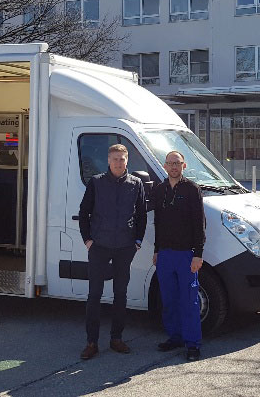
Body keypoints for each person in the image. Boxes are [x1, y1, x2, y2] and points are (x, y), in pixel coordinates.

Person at [78, 143, 147, 360]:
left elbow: (142, 215)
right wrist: (88, 240)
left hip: (125, 247)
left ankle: (116, 339)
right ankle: (91, 342)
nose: (118, 162)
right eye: (115, 158)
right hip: (99, 246)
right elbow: (84, 212)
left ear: (127, 161)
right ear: (108, 160)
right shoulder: (97, 183)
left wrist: (137, 241)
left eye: (122, 159)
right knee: (94, 295)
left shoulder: (135, 184)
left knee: (120, 295)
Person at [150, 150, 205, 361]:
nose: (173, 166)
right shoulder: (160, 190)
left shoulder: (192, 189)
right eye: (170, 163)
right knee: (169, 300)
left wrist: (198, 254)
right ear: (164, 167)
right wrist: (156, 250)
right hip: (165, 255)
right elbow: (158, 223)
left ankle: (193, 344)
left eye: (177, 163)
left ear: (184, 166)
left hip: (186, 255)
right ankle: (175, 337)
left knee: (189, 301)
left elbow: (199, 224)